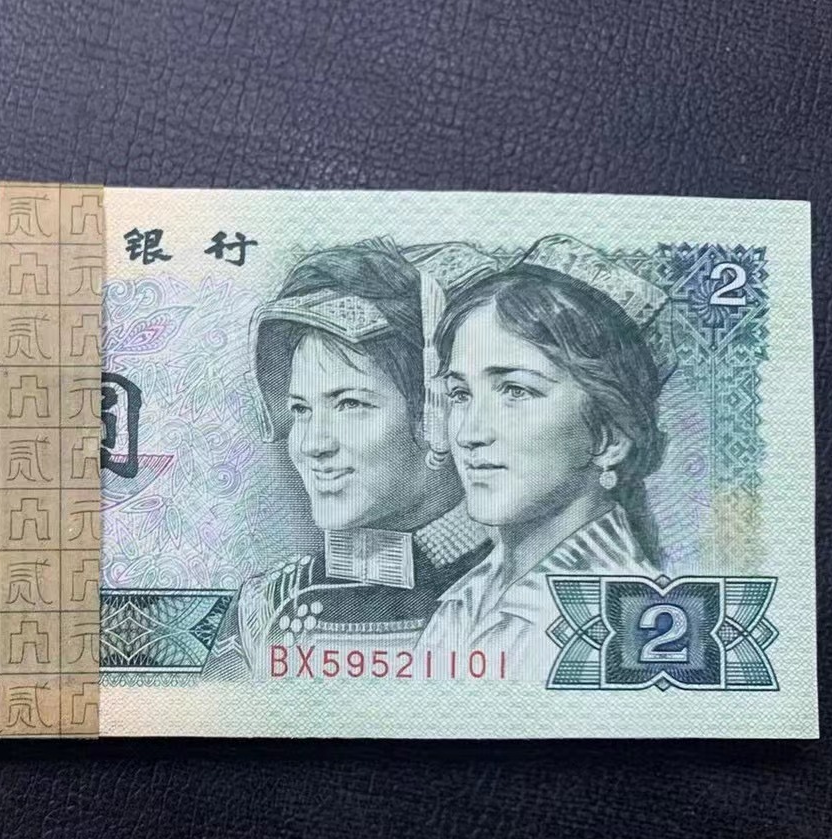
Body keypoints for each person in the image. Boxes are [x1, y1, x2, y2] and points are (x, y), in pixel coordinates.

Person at [200, 239, 493, 681]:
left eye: (350, 404)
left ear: (439, 412)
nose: (312, 444)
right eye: (300, 410)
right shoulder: (268, 607)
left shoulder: (525, 586)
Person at [417, 235, 669, 681]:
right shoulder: (466, 598)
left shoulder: (633, 623)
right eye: (460, 394)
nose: (470, 434)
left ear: (609, 437)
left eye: (515, 391)